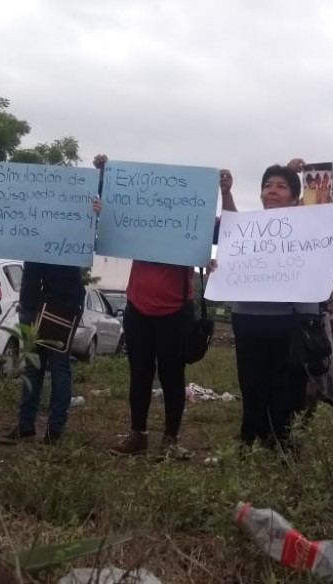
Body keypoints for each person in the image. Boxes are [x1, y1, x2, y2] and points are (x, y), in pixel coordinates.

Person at [100, 154, 231, 459]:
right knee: (140, 374)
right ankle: (138, 435)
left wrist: (225, 192)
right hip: (138, 308)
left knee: (172, 377)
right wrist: (104, 177)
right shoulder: (138, 218)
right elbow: (112, 215)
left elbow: (231, 229)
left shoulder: (195, 219)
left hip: (175, 312)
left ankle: (170, 440)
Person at [0, 186, 102, 446]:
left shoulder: (76, 229)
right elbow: (3, 229)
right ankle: (26, 425)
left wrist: (95, 211)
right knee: (32, 366)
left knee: (59, 366)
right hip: (31, 301)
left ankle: (55, 429)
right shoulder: (33, 224)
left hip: (62, 302)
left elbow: (93, 237)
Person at [212, 165, 316, 448]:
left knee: (285, 385)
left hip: (289, 320)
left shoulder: (308, 228)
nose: (272, 190)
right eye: (268, 185)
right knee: (251, 383)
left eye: (281, 186)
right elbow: (231, 227)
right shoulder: (249, 225)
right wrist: (226, 192)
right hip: (247, 318)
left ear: (296, 198)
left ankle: (280, 442)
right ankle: (250, 439)